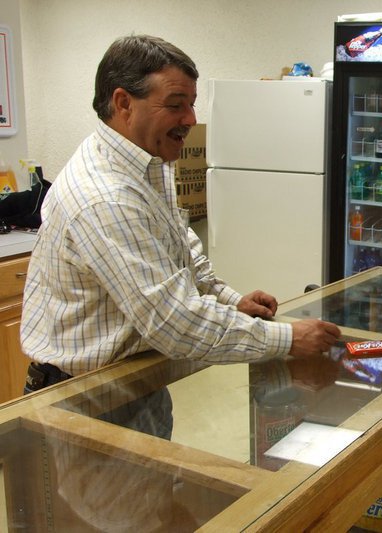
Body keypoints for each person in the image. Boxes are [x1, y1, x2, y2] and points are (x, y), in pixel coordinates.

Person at [21, 34, 341, 389]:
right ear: (124, 103)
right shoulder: (105, 196)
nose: (190, 119)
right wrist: (289, 338)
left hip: (137, 378)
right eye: (176, 104)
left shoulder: (148, 164)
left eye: (192, 103)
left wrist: (233, 301)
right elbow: (172, 321)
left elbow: (180, 256)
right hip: (81, 393)